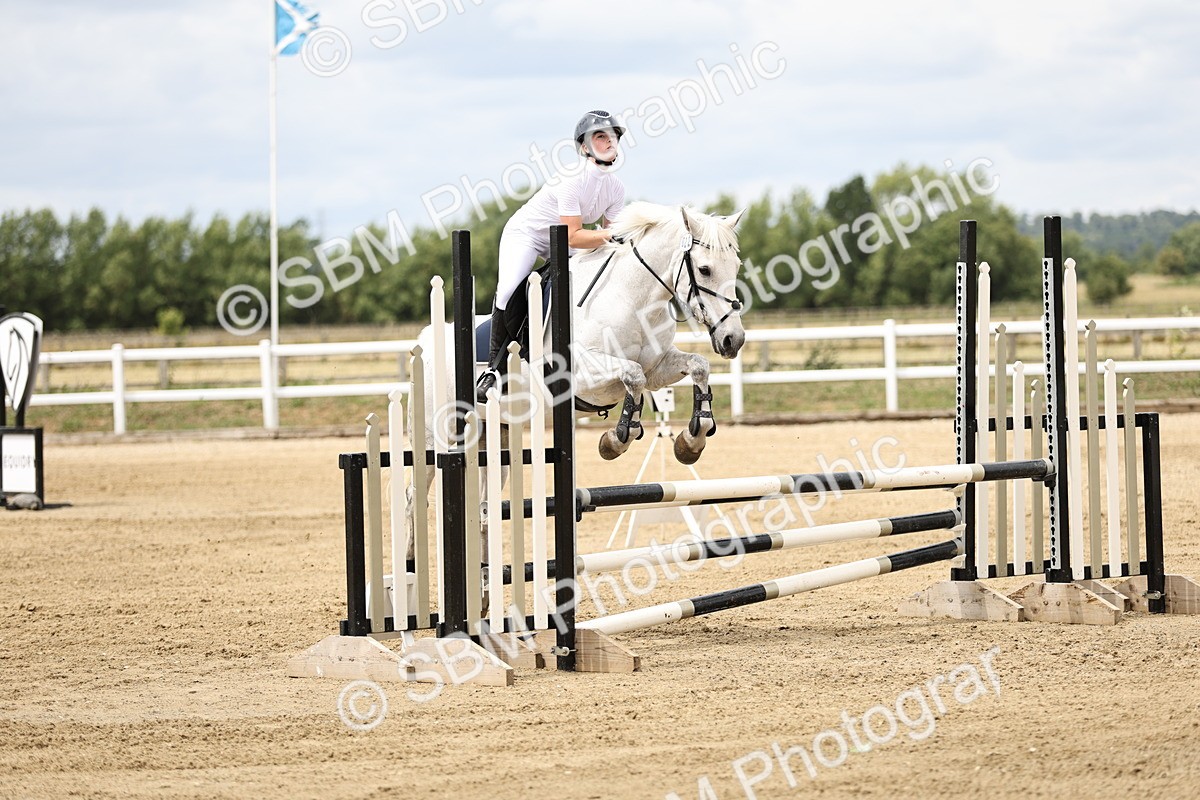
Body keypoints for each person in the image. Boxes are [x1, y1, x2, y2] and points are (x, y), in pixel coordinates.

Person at [475, 110, 628, 402]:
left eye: (613, 137)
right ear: (584, 147)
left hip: (565, 241)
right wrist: (611, 236)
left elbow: (609, 239)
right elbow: (574, 234)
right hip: (528, 235)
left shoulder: (616, 188)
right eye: (600, 136)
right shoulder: (572, 179)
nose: (609, 142)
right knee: (509, 288)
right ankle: (493, 370)